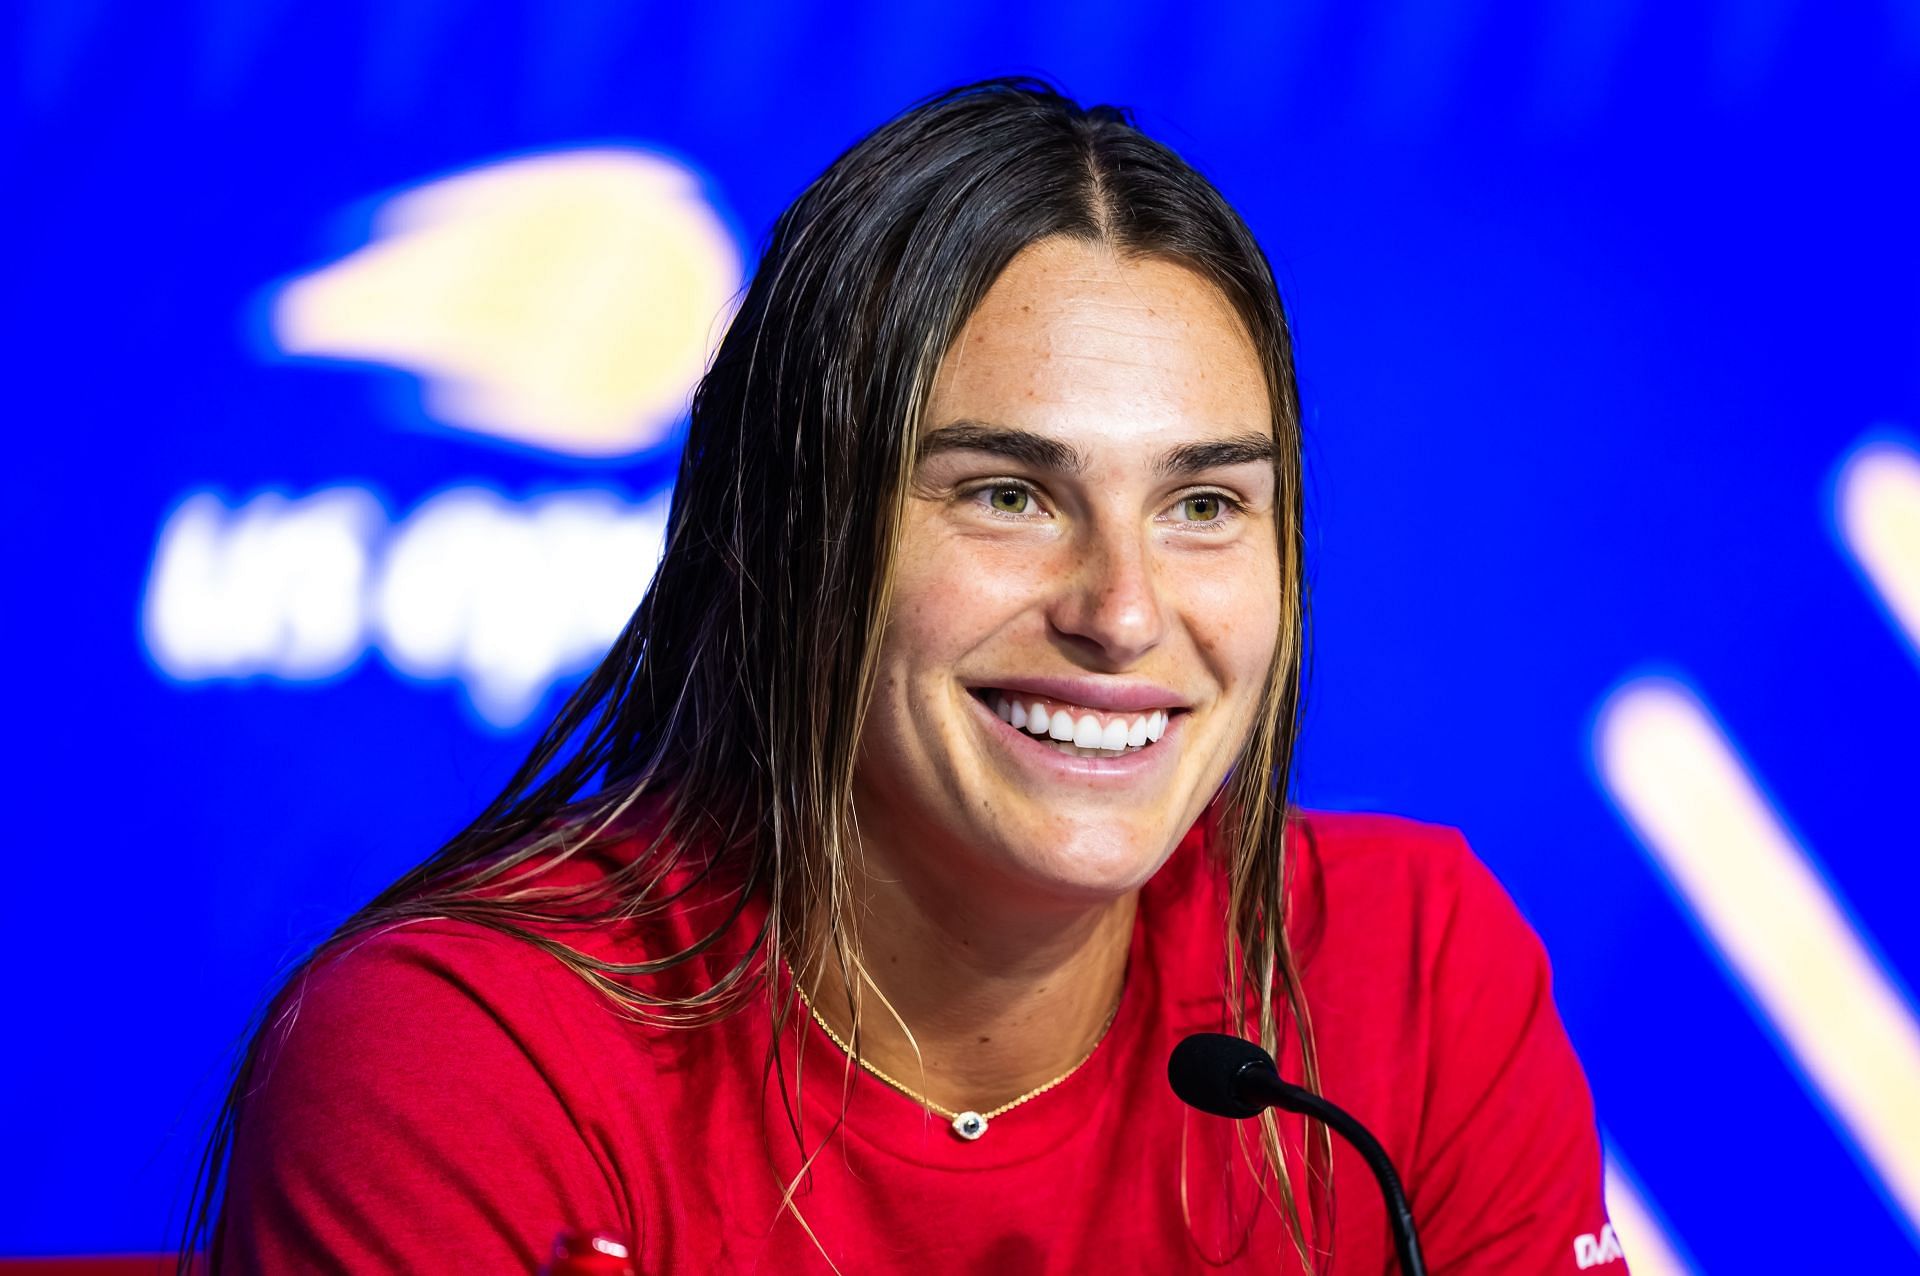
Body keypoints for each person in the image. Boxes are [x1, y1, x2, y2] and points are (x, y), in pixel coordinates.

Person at [195, 79, 1622, 1274]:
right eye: (1007, 495)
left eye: (1203, 506)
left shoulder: (1408, 974)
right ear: (775, 532)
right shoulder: (471, 1064)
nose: (1124, 612)